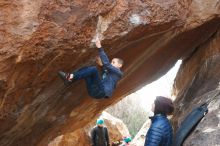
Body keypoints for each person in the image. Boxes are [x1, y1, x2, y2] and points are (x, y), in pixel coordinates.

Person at [58, 38, 123, 99]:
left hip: (101, 91)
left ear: (119, 65)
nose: (111, 63)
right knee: (86, 69)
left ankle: (70, 77)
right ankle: (70, 81)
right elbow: (107, 73)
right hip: (93, 92)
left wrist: (100, 47)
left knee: (94, 69)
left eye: (113, 62)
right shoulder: (111, 74)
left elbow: (107, 65)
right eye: (112, 62)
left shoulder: (118, 73)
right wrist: (102, 66)